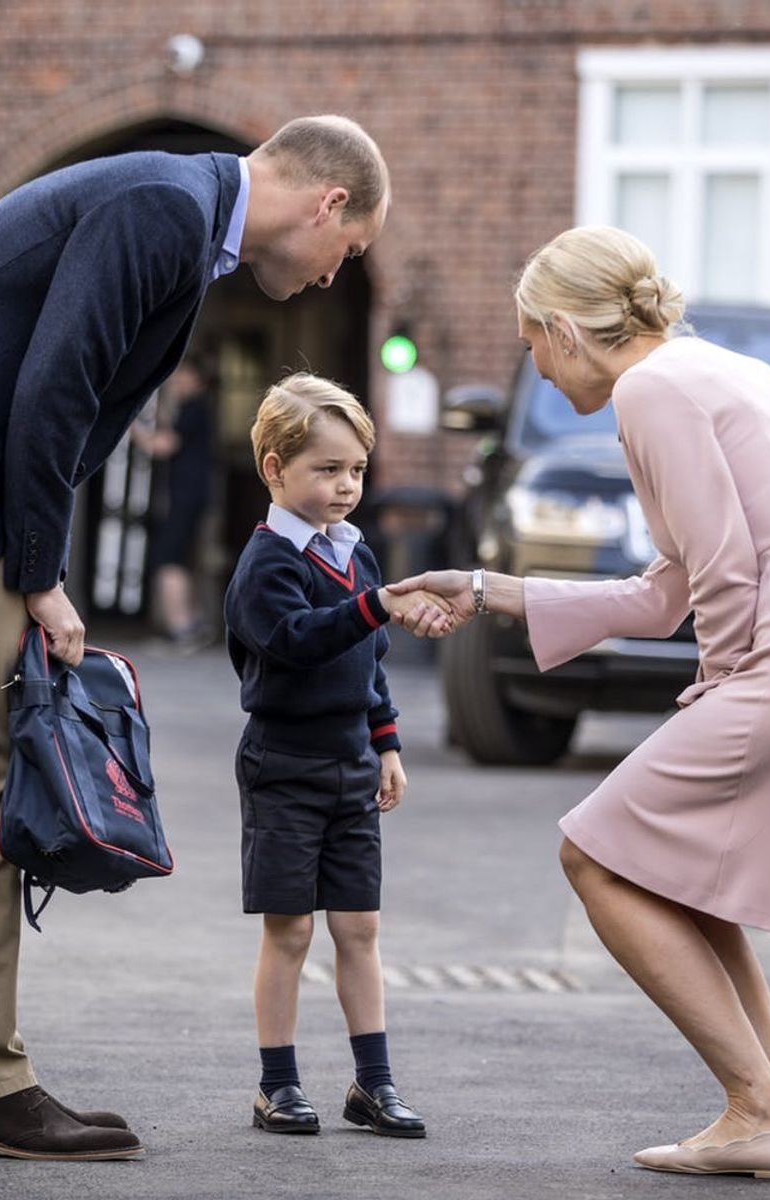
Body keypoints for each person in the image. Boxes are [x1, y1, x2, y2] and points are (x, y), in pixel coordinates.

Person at [0, 115, 390, 1161]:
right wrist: (40, 573)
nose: (340, 276)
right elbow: (53, 389)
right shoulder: (165, 207)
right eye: (353, 251)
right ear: (327, 204)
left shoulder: (183, 211)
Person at [391, 225, 770, 1180]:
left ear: (564, 328)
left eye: (531, 350)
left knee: (594, 853)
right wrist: (483, 588)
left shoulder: (651, 390)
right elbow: (662, 589)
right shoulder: (717, 372)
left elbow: (720, 573)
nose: (542, 377)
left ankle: (757, 1107)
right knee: (684, 873)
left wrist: (717, 689)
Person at [224, 374, 448, 1139]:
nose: (346, 485)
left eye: (356, 468)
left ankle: (373, 1084)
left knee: (359, 930)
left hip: (352, 764)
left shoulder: (356, 555)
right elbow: (299, 641)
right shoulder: (266, 566)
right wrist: (373, 607)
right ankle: (277, 1086)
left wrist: (386, 745)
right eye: (326, 469)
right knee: (289, 931)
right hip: (282, 764)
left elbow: (368, 663)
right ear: (275, 470)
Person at [130, 355, 216, 648]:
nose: (177, 382)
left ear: (197, 380)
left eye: (183, 376)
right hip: (189, 496)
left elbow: (161, 446)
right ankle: (188, 624)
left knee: (167, 557)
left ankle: (182, 628)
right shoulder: (194, 409)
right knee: (177, 557)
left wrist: (128, 425)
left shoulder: (194, 408)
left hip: (185, 496)